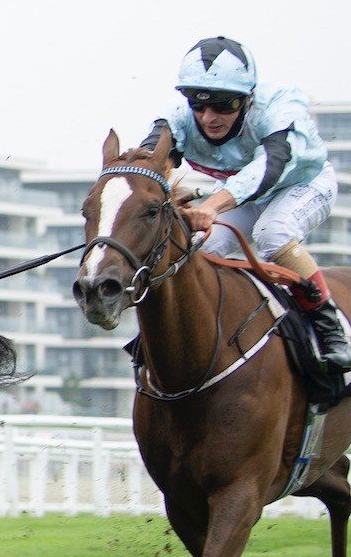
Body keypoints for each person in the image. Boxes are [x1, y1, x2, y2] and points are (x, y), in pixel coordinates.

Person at [142, 35, 348, 369]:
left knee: (273, 233)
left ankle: (330, 327)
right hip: (242, 194)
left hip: (303, 184)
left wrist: (210, 206)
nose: (210, 117)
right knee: (198, 249)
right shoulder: (176, 117)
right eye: (199, 104)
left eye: (225, 105)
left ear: (248, 100)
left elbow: (270, 167)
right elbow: (150, 165)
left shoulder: (280, 106)